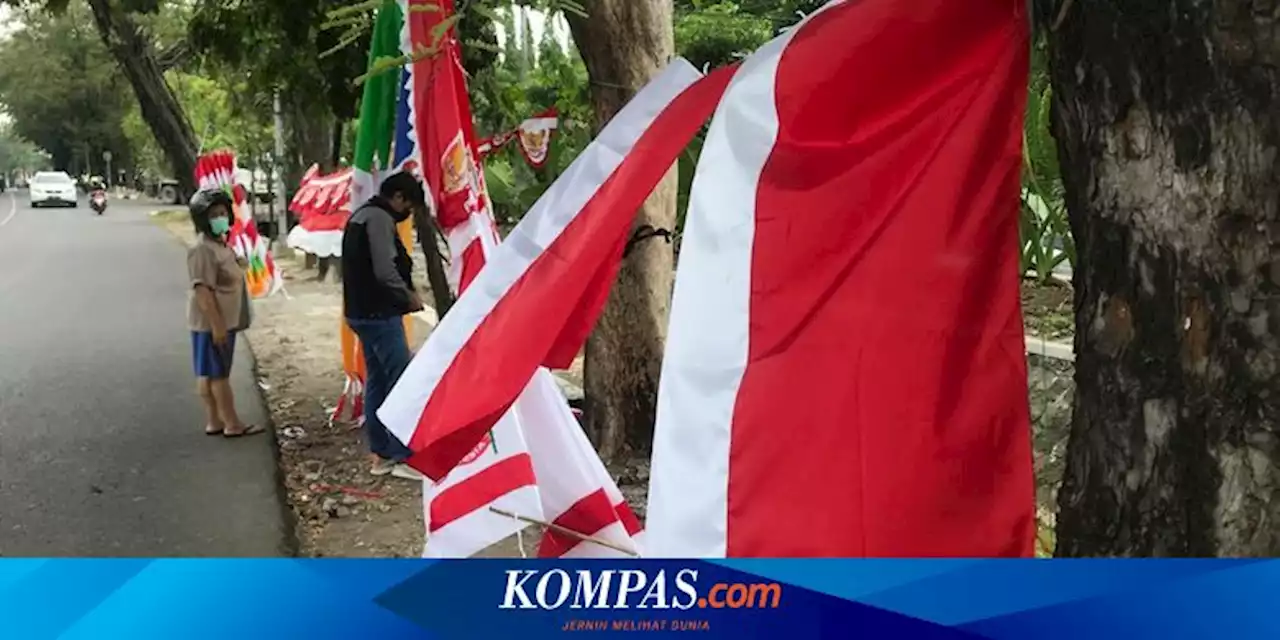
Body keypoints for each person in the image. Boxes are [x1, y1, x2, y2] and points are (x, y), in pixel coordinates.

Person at [342, 172, 426, 480]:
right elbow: (384, 270)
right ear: (399, 198)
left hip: (360, 313)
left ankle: (381, 454)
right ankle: (402, 455)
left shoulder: (360, 215)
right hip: (379, 314)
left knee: (377, 380)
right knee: (401, 382)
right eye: (409, 206)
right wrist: (408, 297)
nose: (408, 214)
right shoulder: (378, 219)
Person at [188, 189, 261, 438]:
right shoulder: (202, 250)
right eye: (213, 215)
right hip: (212, 322)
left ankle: (215, 421)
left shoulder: (219, 244)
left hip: (221, 321)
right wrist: (217, 325)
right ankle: (231, 423)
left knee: (209, 372)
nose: (220, 218)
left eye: (222, 213)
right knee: (218, 375)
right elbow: (203, 290)